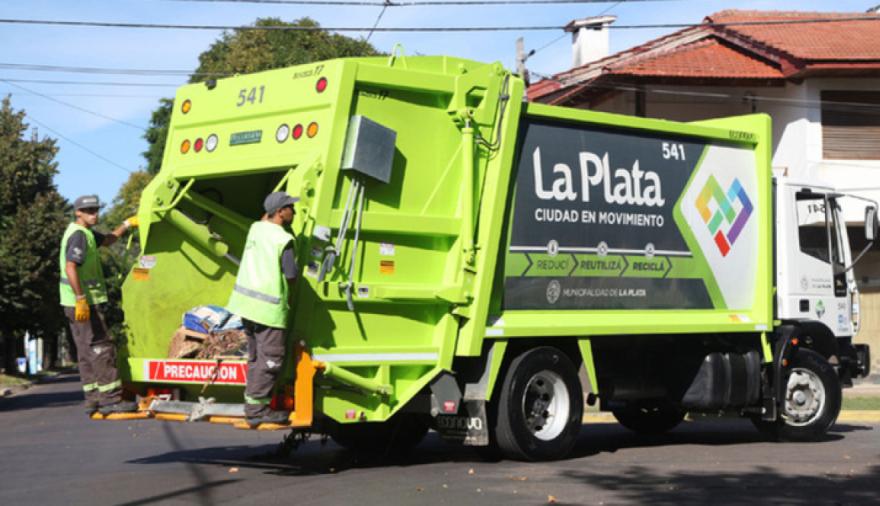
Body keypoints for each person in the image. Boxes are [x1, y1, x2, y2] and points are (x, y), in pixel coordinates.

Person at [60, 195, 139, 416]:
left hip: (75, 302)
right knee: (101, 348)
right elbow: (70, 268)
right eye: (88, 210)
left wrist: (126, 224)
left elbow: (108, 240)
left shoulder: (85, 233)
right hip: (84, 302)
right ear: (78, 213)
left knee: (86, 350)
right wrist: (81, 298)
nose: (94, 214)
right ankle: (110, 400)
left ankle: (93, 399)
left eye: (96, 210)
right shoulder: (79, 236)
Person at [226, 191, 299, 427]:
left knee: (256, 359)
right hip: (269, 310)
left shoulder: (255, 229)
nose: (294, 212)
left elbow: (262, 219)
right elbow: (291, 275)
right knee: (271, 361)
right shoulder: (283, 240)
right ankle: (257, 410)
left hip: (246, 306)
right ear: (280, 212)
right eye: (290, 208)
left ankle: (253, 404)